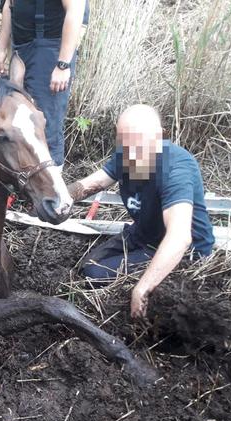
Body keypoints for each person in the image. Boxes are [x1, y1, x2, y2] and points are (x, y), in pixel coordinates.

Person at [67, 104, 215, 319]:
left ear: (159, 137)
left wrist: (142, 288)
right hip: (144, 232)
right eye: (123, 140)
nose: (130, 149)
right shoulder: (126, 155)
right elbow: (95, 183)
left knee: (93, 275)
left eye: (137, 141)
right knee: (87, 267)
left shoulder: (176, 169)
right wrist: (58, 197)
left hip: (181, 251)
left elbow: (179, 237)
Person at [0, 0, 89, 167]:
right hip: (20, 49)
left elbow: (76, 8)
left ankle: (53, 187)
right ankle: (24, 185)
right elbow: (10, 4)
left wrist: (63, 64)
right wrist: (1, 50)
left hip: (50, 50)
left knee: (46, 125)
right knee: (19, 122)